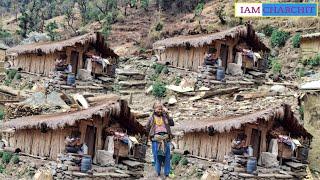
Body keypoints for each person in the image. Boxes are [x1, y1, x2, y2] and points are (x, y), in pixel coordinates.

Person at [146, 102, 173, 178]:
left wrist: (168, 114)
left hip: (165, 139)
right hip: (156, 140)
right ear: (154, 109)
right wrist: (148, 137)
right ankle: (157, 172)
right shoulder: (151, 118)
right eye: (158, 109)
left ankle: (167, 173)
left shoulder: (165, 117)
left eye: (161, 109)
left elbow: (172, 123)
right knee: (157, 157)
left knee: (166, 156)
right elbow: (147, 128)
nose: (160, 110)